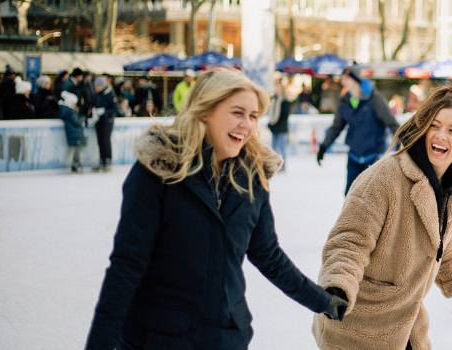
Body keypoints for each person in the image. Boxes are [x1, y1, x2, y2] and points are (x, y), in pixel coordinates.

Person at [85, 70, 346, 350]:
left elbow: (269, 256)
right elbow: (127, 265)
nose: (246, 124)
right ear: (206, 110)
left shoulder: (251, 178)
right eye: (237, 112)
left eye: (253, 116)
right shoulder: (159, 170)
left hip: (226, 336)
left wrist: (325, 302)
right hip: (159, 337)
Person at [313, 85, 452, 350]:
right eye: (434, 125)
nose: (440, 136)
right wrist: (337, 286)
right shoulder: (384, 179)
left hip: (406, 323)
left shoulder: (450, 187)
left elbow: (438, 239)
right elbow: (350, 241)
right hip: (359, 324)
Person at [317, 66, 399, 194]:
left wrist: (401, 145)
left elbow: (392, 124)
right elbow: (336, 127)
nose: (343, 81)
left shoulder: (375, 99)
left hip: (374, 158)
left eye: (346, 78)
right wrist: (324, 146)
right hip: (354, 156)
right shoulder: (346, 101)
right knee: (350, 196)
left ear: (355, 80)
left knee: (372, 198)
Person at [91, 76, 119, 172]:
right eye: (95, 87)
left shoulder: (110, 94)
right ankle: (102, 160)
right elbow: (93, 103)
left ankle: (107, 160)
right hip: (98, 120)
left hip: (107, 121)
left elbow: (115, 109)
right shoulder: (97, 94)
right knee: (100, 141)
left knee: (105, 140)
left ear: (102, 86)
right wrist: (94, 111)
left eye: (97, 86)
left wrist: (104, 111)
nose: (96, 88)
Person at [268, 82, 292, 171]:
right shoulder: (273, 100)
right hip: (274, 128)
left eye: (278, 88)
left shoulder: (285, 102)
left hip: (281, 128)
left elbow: (285, 116)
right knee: (273, 149)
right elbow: (271, 114)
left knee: (282, 148)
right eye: (275, 88)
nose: (276, 90)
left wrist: (276, 123)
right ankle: (274, 165)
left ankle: (283, 166)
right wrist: (271, 124)